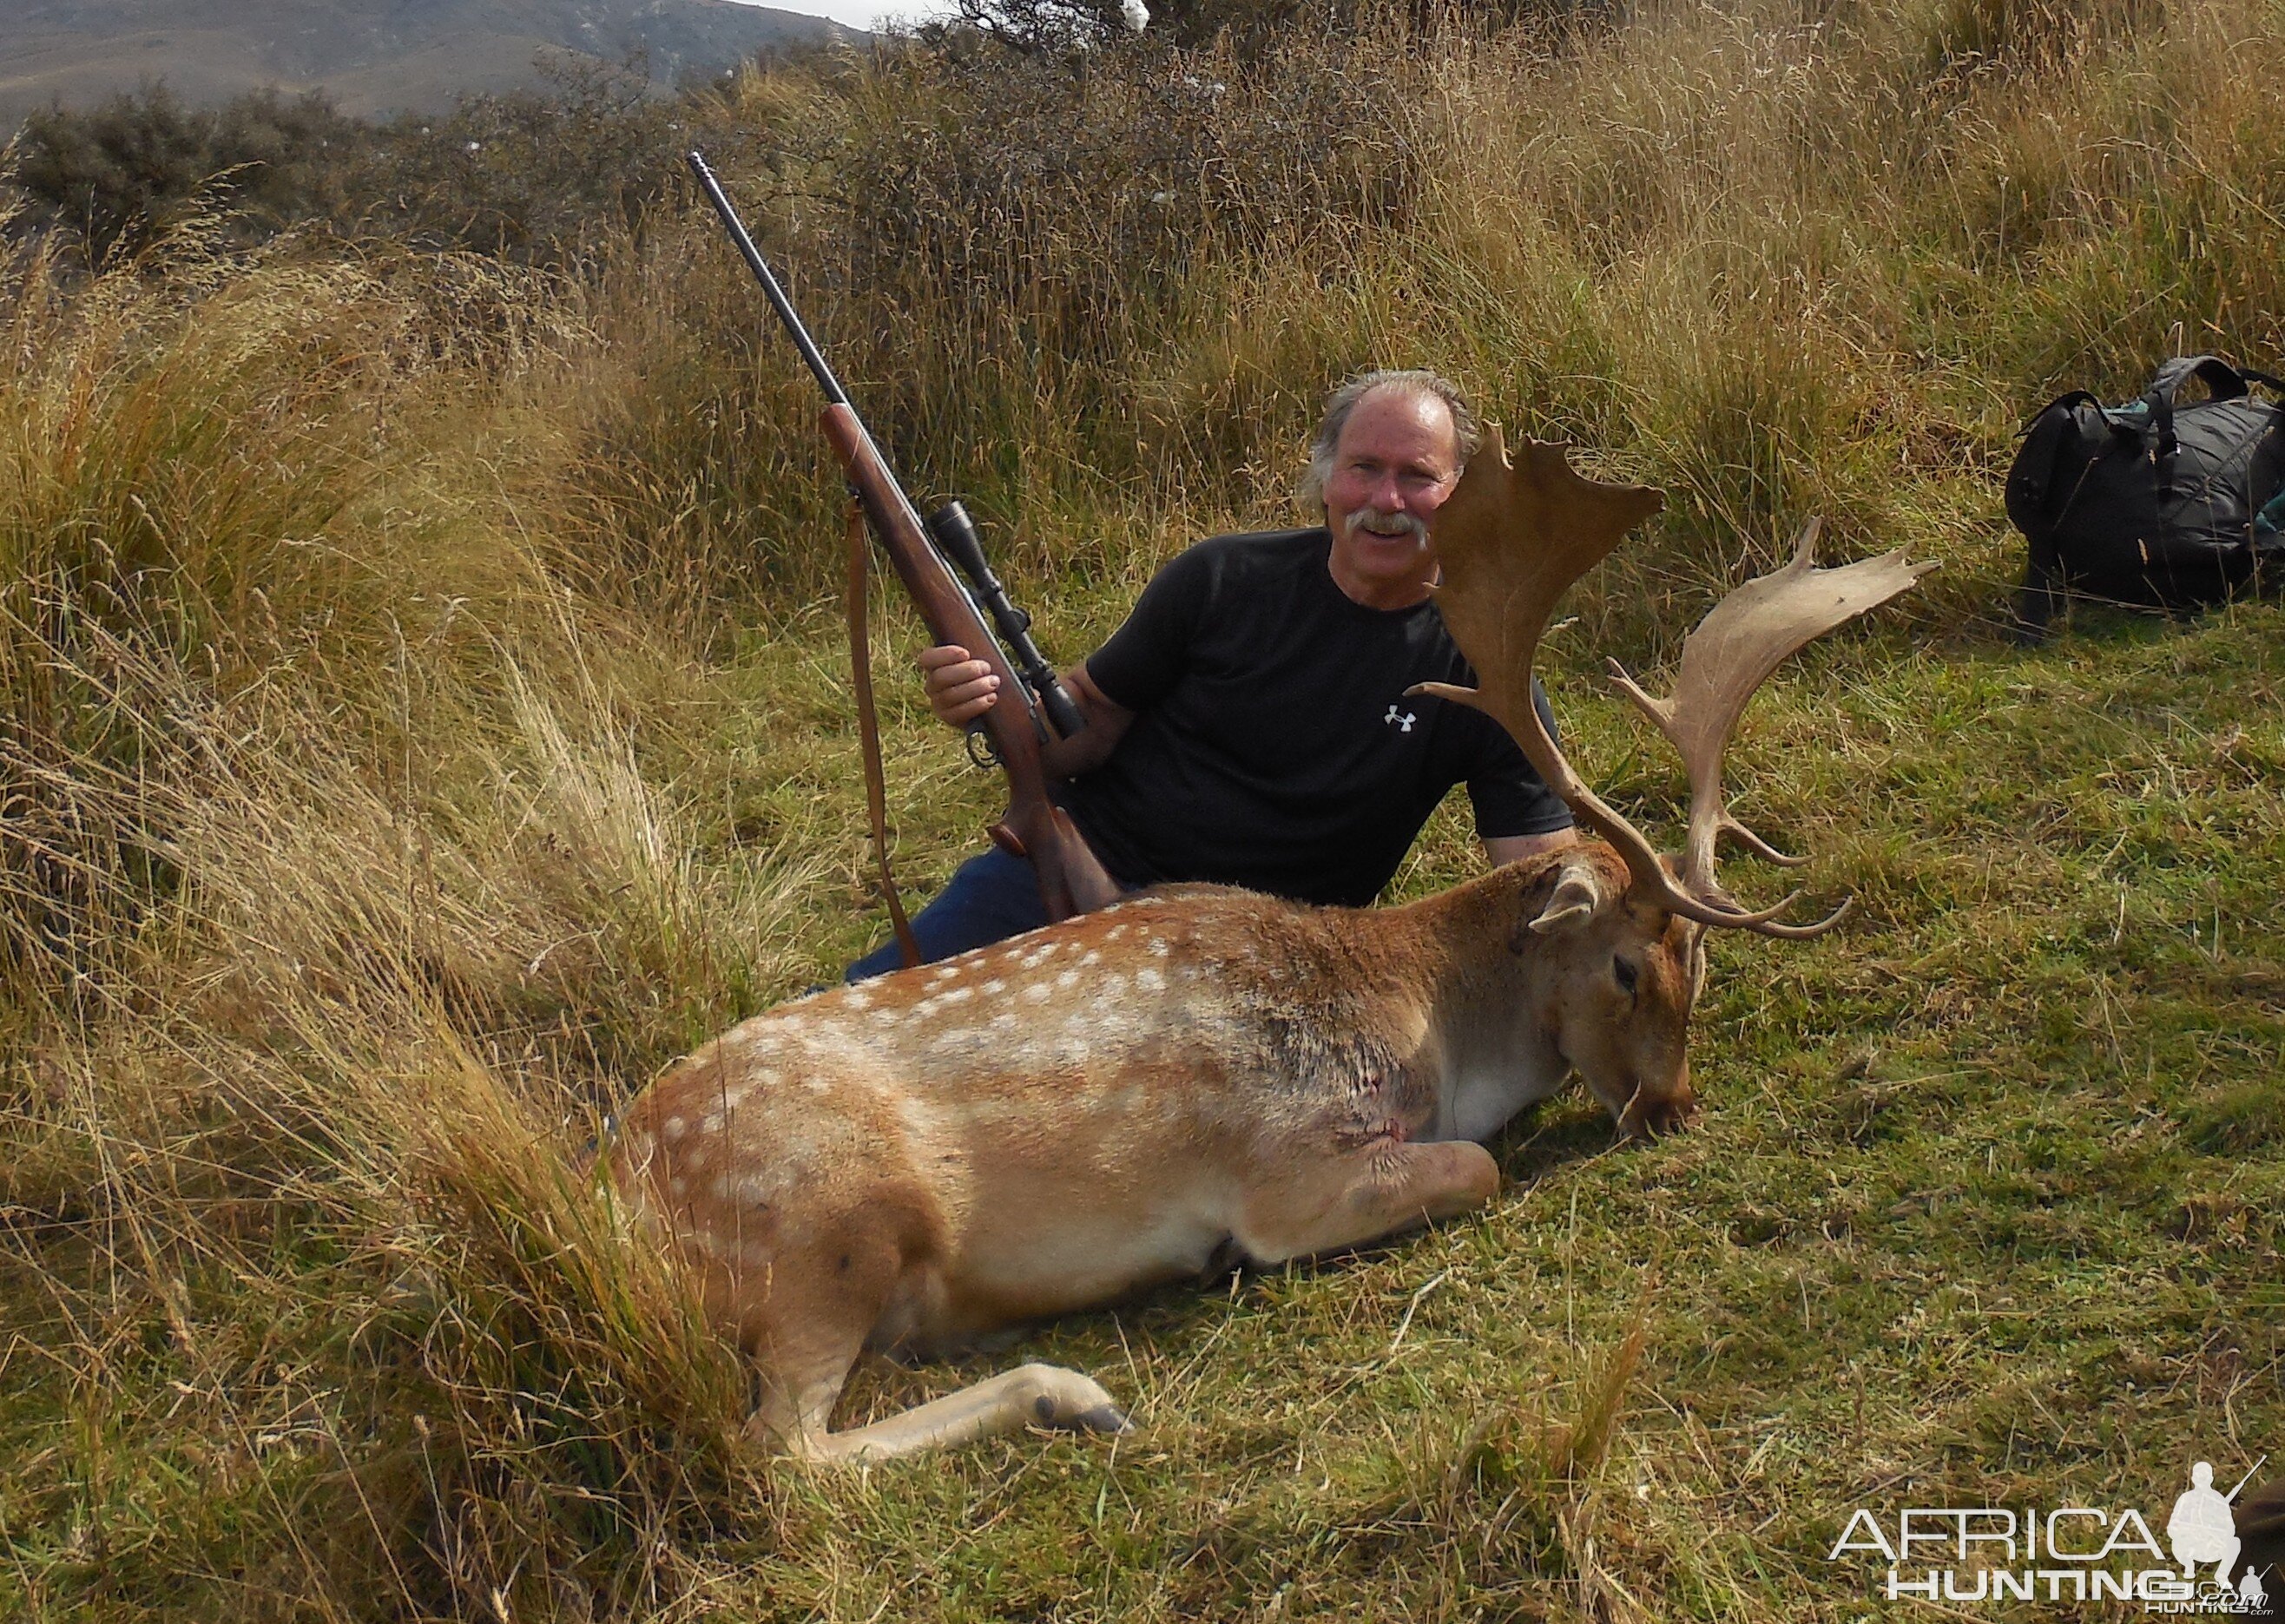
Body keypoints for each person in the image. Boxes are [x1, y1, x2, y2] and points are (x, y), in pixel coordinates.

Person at [846, 369, 1577, 981]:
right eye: (1364, 469)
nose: (1385, 502)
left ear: (1460, 493)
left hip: (1250, 959)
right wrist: (995, 706)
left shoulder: (1489, 669)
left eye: (1417, 477)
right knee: (854, 1019)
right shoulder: (1222, 577)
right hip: (1071, 870)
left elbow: (1544, 888)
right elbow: (1085, 724)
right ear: (1326, 479)